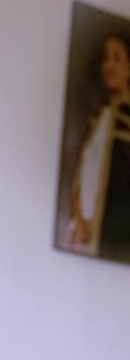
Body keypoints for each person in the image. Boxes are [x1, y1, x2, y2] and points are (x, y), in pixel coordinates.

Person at [63, 29, 130, 259]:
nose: (108, 64)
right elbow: (86, 171)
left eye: (117, 58)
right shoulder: (102, 114)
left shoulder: (126, 116)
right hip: (83, 229)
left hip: (109, 235)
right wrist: (79, 217)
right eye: (106, 58)